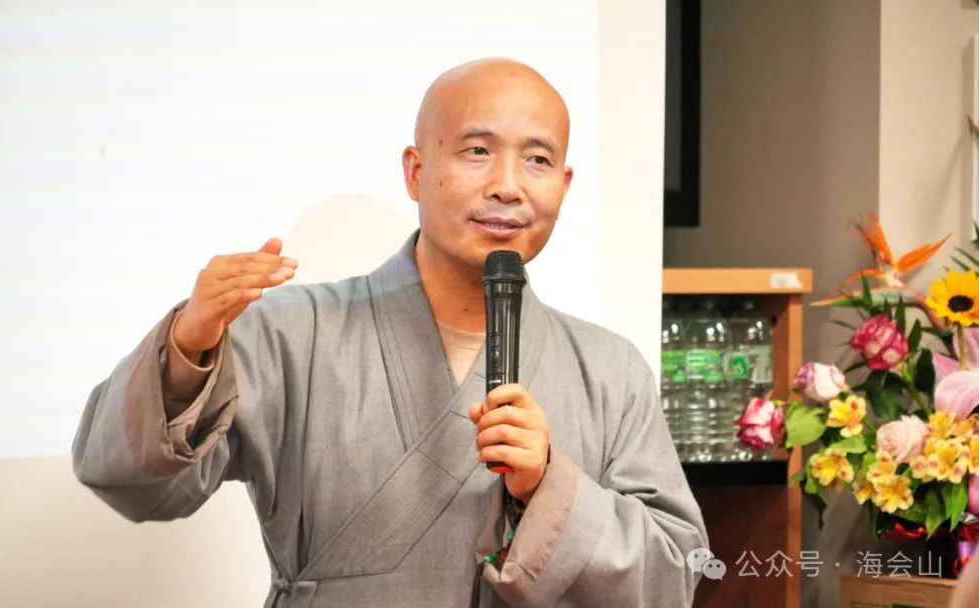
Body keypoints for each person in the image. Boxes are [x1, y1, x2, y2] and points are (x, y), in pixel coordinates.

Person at [73, 57, 708, 607]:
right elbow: (137, 488)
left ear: (563, 187)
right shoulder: (290, 335)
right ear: (414, 171)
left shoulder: (609, 370)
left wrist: (548, 486)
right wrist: (187, 350)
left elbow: (676, 577)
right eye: (477, 151)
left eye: (537, 160)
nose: (508, 186)